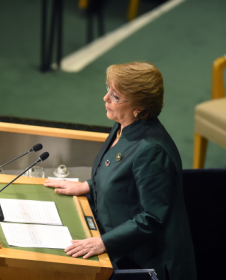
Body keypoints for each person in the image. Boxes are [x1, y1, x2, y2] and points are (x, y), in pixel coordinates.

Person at [44, 62, 197, 280]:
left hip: (145, 263)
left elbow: (152, 218)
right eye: (108, 89)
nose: (106, 98)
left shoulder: (152, 150)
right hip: (121, 243)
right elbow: (122, 178)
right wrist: (86, 185)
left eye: (115, 96)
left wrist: (103, 243)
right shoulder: (124, 125)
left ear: (139, 107)